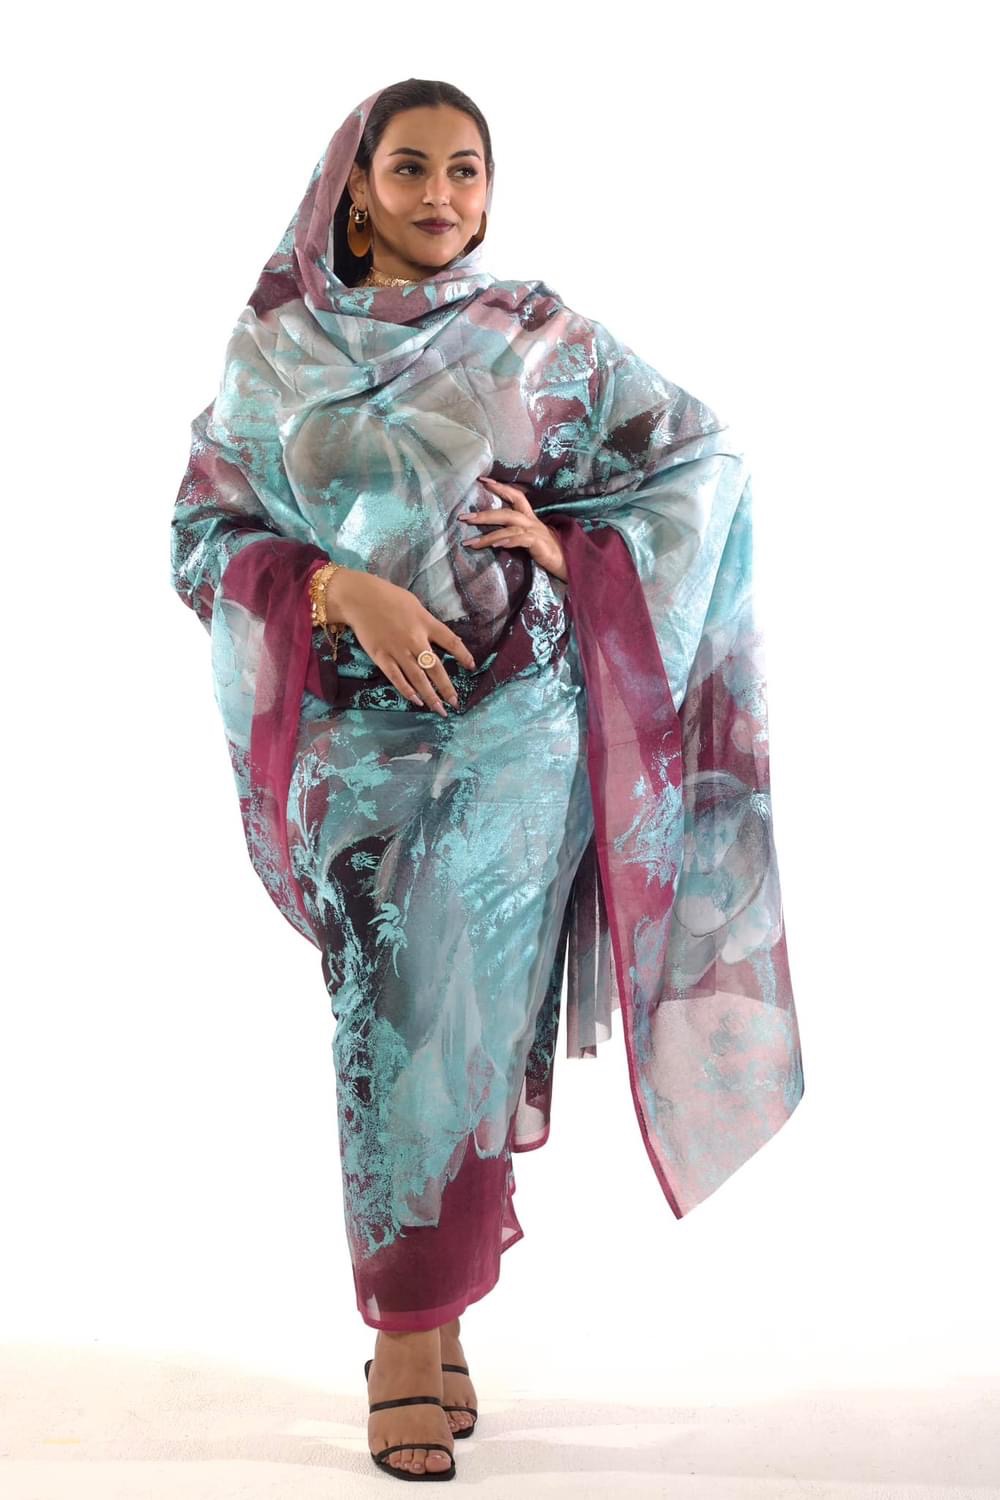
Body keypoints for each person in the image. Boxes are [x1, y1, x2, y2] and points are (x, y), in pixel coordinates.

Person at [169, 77, 805, 1482]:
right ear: (354, 184)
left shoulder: (535, 335)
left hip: (522, 745)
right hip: (358, 756)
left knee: (465, 1026)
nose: (442, 196)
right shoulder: (275, 351)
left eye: (467, 169)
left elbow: (701, 462)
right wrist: (337, 589)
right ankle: (417, 1316)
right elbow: (202, 537)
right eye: (411, 168)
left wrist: (572, 549)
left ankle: (419, 1331)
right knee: (392, 1023)